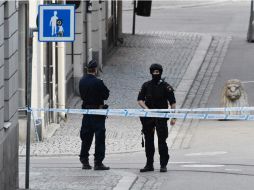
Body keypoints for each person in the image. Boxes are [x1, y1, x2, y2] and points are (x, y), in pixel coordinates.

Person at [137, 63, 176, 173]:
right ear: (151, 73)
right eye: (154, 72)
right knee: (149, 141)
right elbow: (140, 100)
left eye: (157, 72)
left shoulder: (166, 86)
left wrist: (174, 117)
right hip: (149, 118)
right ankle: (149, 164)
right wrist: (147, 109)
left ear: (160, 73)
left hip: (161, 117)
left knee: (162, 141)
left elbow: (173, 102)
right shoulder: (146, 85)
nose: (156, 74)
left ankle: (163, 164)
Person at [79, 59, 110, 170]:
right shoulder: (98, 82)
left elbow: (81, 95)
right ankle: (98, 162)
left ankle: (84, 161)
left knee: (86, 138)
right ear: (96, 70)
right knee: (99, 138)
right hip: (98, 113)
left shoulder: (82, 81)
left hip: (86, 113)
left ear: (87, 69)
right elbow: (106, 95)